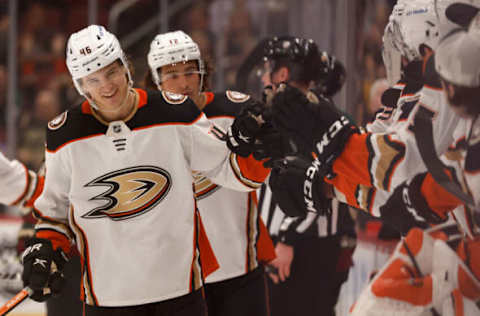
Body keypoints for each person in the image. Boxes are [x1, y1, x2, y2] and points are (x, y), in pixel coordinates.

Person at [21, 25, 270, 316]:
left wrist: (262, 151)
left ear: (126, 67)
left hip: (180, 294)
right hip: (108, 300)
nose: (107, 86)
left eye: (112, 72)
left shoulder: (175, 113)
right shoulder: (64, 135)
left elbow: (234, 173)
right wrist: (45, 250)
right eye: (93, 79)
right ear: (81, 85)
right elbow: (54, 212)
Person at [145, 30, 275, 316]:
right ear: (156, 80)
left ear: (202, 71)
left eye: (190, 71)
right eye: (172, 74)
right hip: (179, 282)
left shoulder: (237, 110)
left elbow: (272, 161)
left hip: (239, 270)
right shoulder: (146, 129)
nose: (183, 83)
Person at [251, 35, 355, 316]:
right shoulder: (300, 110)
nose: (263, 78)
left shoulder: (308, 113)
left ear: (282, 73)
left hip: (303, 246)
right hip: (294, 242)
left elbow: (317, 178)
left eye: (268, 69)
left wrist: (287, 240)